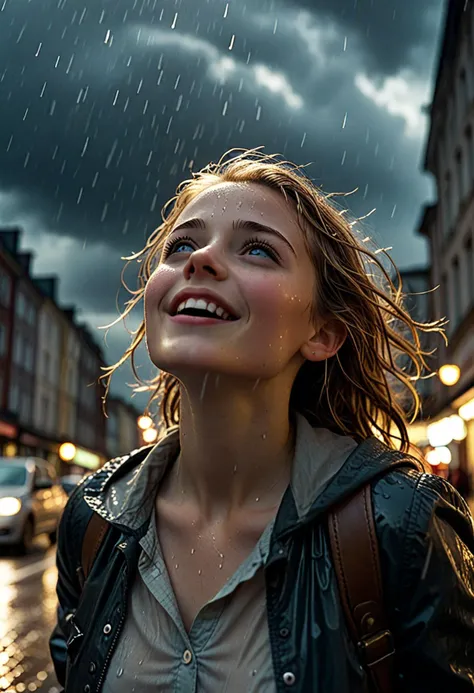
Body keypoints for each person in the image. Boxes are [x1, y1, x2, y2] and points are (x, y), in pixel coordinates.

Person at [50, 149, 474, 692]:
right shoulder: (92, 522)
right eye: (181, 245)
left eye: (257, 250)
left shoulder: (402, 526)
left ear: (322, 333)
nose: (199, 260)